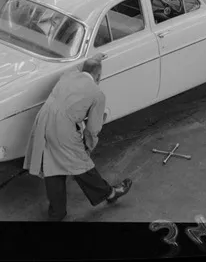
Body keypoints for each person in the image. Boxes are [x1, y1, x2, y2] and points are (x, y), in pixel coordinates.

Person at [24, 57, 132, 221]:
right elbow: (92, 129)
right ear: (98, 76)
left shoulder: (68, 75)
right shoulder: (97, 94)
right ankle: (110, 193)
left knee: (52, 166)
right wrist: (88, 146)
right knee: (80, 163)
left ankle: (57, 212)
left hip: (43, 119)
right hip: (62, 128)